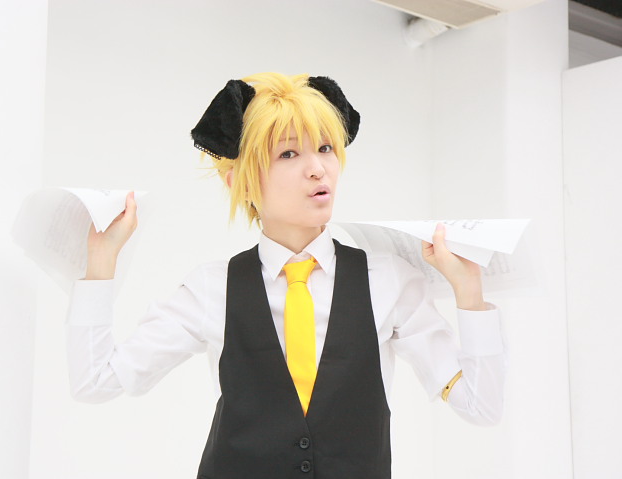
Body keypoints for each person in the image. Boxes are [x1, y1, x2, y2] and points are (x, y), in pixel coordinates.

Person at [66, 72, 505, 478]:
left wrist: (469, 292)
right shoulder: (212, 289)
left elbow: (481, 407)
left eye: (326, 148)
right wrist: (101, 262)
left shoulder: (388, 281)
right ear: (240, 181)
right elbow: (95, 382)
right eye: (289, 153)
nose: (317, 168)